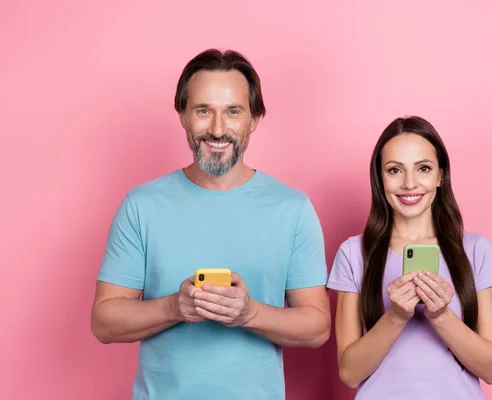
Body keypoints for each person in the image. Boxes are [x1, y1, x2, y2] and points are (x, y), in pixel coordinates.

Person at [90, 49, 331, 400]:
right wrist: (176, 307)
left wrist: (248, 313)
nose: (218, 129)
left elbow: (317, 327)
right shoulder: (141, 205)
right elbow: (104, 322)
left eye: (233, 112)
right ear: (183, 116)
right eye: (203, 111)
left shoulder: (293, 209)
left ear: (254, 119)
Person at [327, 116, 492, 399]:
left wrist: (440, 316)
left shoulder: (476, 251)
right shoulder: (353, 253)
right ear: (380, 177)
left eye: (423, 168)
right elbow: (350, 373)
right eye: (395, 170)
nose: (410, 183)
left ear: (439, 175)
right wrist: (397, 315)